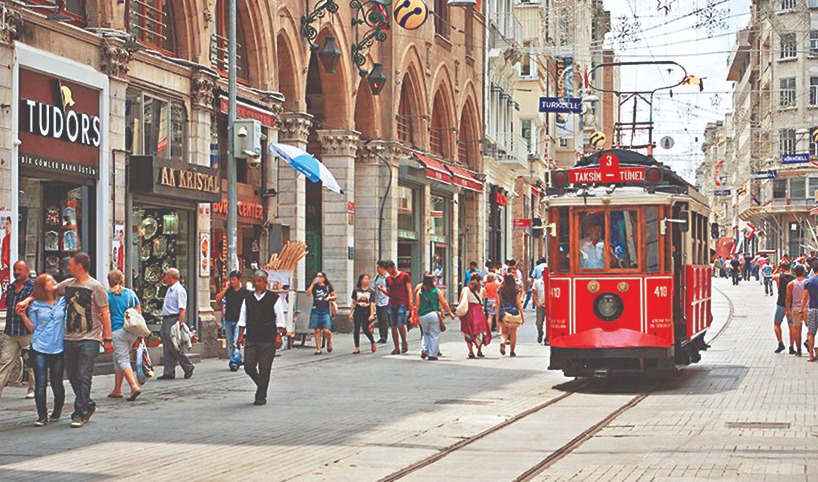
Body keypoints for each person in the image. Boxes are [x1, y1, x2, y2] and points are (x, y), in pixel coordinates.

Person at [18, 253, 112, 428]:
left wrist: (107, 338)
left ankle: (79, 413)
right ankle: (87, 403)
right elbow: (47, 291)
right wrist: (28, 300)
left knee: (84, 374)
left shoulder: (96, 287)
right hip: (69, 338)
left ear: (80, 266)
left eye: (71, 264)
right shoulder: (68, 285)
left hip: (89, 338)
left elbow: (105, 313)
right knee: (74, 376)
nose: (68, 267)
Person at [19, 274, 65, 426]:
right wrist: (23, 315)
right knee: (40, 382)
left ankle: (57, 411)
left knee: (57, 383)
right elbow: (33, 327)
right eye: (49, 281)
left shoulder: (63, 301)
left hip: (58, 347)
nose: (53, 282)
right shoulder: (36, 305)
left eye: (53, 280)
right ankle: (42, 416)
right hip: (39, 346)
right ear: (42, 287)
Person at [235, 271, 287, 405]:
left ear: (265, 282)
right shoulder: (248, 297)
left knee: (265, 368)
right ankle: (260, 384)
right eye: (255, 281)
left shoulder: (273, 298)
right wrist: (240, 335)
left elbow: (280, 319)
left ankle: (260, 396)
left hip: (268, 338)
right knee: (248, 366)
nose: (256, 284)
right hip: (252, 336)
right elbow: (243, 317)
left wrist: (278, 335)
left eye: (259, 281)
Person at [0, 260, 34, 399]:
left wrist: (28, 302)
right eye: (15, 269)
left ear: (27, 271)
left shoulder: (33, 286)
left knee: (31, 362)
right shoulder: (12, 287)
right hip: (11, 330)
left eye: (19, 270)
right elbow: (8, 305)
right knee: (4, 361)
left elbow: (40, 298)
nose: (16, 272)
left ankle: (33, 388)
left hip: (27, 331)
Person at [106, 270, 142, 401]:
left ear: (109, 281)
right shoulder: (130, 294)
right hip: (131, 330)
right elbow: (138, 311)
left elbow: (105, 314)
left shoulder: (108, 295)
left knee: (122, 359)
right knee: (118, 358)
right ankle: (117, 389)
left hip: (117, 331)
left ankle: (134, 386)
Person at [158, 268, 194, 381]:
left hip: (174, 319)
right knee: (167, 345)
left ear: (172, 277)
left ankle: (188, 366)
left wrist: (180, 323)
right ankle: (169, 371)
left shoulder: (179, 290)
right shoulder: (170, 289)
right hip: (166, 319)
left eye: (166, 276)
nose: (164, 278)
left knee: (174, 345)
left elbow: (182, 308)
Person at [415, 272, 454, 361]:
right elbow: (444, 303)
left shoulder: (420, 292)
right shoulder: (436, 291)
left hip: (422, 315)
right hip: (433, 314)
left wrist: (416, 316)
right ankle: (432, 354)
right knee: (434, 334)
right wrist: (450, 313)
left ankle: (425, 349)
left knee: (425, 333)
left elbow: (417, 305)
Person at [380, 260, 414, 355]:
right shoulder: (388, 279)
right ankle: (396, 347)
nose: (388, 272)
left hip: (402, 302)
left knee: (400, 324)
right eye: (387, 270)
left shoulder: (404, 276)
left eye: (389, 269)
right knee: (393, 326)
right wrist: (382, 290)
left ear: (393, 267)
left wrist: (410, 302)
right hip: (392, 303)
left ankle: (404, 342)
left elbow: (409, 289)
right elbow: (389, 293)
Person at [215, 270, 247, 364]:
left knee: (236, 341)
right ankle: (238, 358)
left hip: (239, 320)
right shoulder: (228, 291)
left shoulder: (245, 292)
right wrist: (226, 288)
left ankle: (234, 361)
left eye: (234, 279)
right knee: (230, 342)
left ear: (239, 280)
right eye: (231, 279)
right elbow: (217, 299)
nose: (232, 282)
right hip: (228, 319)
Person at [458, 273, 490, 358]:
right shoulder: (482, 289)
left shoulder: (466, 289)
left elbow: (461, 300)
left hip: (468, 311)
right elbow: (485, 299)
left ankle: (471, 351)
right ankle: (479, 350)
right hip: (478, 312)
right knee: (479, 331)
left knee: (468, 331)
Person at [306, 272, 335, 355]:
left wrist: (329, 298)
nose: (318, 278)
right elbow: (308, 293)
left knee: (326, 330)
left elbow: (334, 296)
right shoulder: (314, 287)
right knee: (317, 329)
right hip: (316, 308)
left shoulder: (328, 287)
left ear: (324, 278)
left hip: (325, 309)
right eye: (317, 276)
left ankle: (329, 340)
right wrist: (312, 284)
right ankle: (318, 349)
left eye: (320, 276)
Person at [497, 274, 524, 357]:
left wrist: (498, 315)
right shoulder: (515, 289)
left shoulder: (500, 290)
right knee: (513, 333)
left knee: (504, 332)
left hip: (503, 311)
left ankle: (503, 342)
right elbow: (518, 302)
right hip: (513, 311)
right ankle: (512, 351)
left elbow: (498, 303)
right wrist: (522, 314)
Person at [349, 274, 377, 354]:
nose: (367, 280)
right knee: (356, 328)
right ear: (361, 280)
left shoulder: (371, 291)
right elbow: (353, 302)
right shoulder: (356, 290)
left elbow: (372, 303)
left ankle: (372, 341)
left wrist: (372, 314)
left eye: (368, 279)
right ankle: (357, 347)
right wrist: (351, 313)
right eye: (365, 279)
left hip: (366, 310)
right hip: (358, 309)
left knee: (365, 329)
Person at [772, 262, 796, 355]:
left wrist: (777, 268)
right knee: (792, 326)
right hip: (791, 304)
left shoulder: (778, 276)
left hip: (781, 303)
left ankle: (780, 343)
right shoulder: (793, 278)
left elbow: (772, 275)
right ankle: (791, 347)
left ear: (781, 267)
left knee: (777, 323)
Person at [785, 265, 807, 357]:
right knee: (811, 329)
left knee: (797, 330)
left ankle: (798, 350)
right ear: (803, 272)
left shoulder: (791, 284)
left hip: (795, 308)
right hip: (806, 307)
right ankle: (809, 341)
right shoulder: (807, 282)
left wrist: (787, 310)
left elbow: (788, 299)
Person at [801, 262, 818, 361]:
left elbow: (804, 298)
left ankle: (811, 355)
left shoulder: (808, 281)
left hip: (812, 310)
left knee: (811, 333)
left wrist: (801, 310)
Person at [373, 261, 391, 344]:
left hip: (385, 301)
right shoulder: (377, 277)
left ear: (382, 268)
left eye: (378, 267)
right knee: (380, 319)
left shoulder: (388, 278)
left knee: (384, 319)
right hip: (377, 301)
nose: (377, 269)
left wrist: (382, 290)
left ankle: (384, 336)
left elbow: (389, 291)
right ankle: (381, 336)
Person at [532, 274, 547, 345]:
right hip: (541, 305)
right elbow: (533, 293)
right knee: (539, 322)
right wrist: (537, 303)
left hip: (550, 306)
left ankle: (547, 337)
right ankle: (540, 333)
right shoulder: (537, 282)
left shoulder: (551, 281)